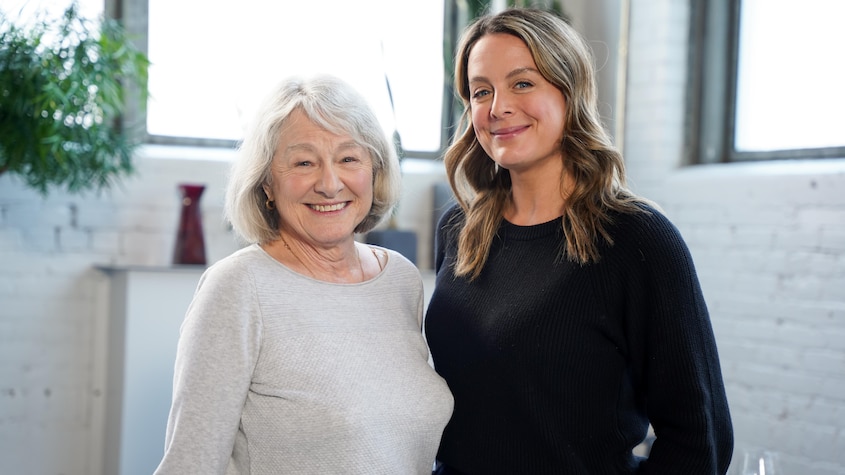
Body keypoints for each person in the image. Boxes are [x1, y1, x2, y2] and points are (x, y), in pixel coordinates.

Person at [425, 8, 733, 474]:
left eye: (523, 83)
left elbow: (700, 440)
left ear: (569, 92)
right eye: (480, 91)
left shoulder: (636, 239)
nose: (497, 107)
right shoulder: (459, 228)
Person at [154, 75, 454, 474]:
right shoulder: (238, 287)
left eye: (348, 158)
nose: (330, 184)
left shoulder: (399, 280)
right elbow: (190, 465)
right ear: (267, 185)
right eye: (304, 162)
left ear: (374, 171)